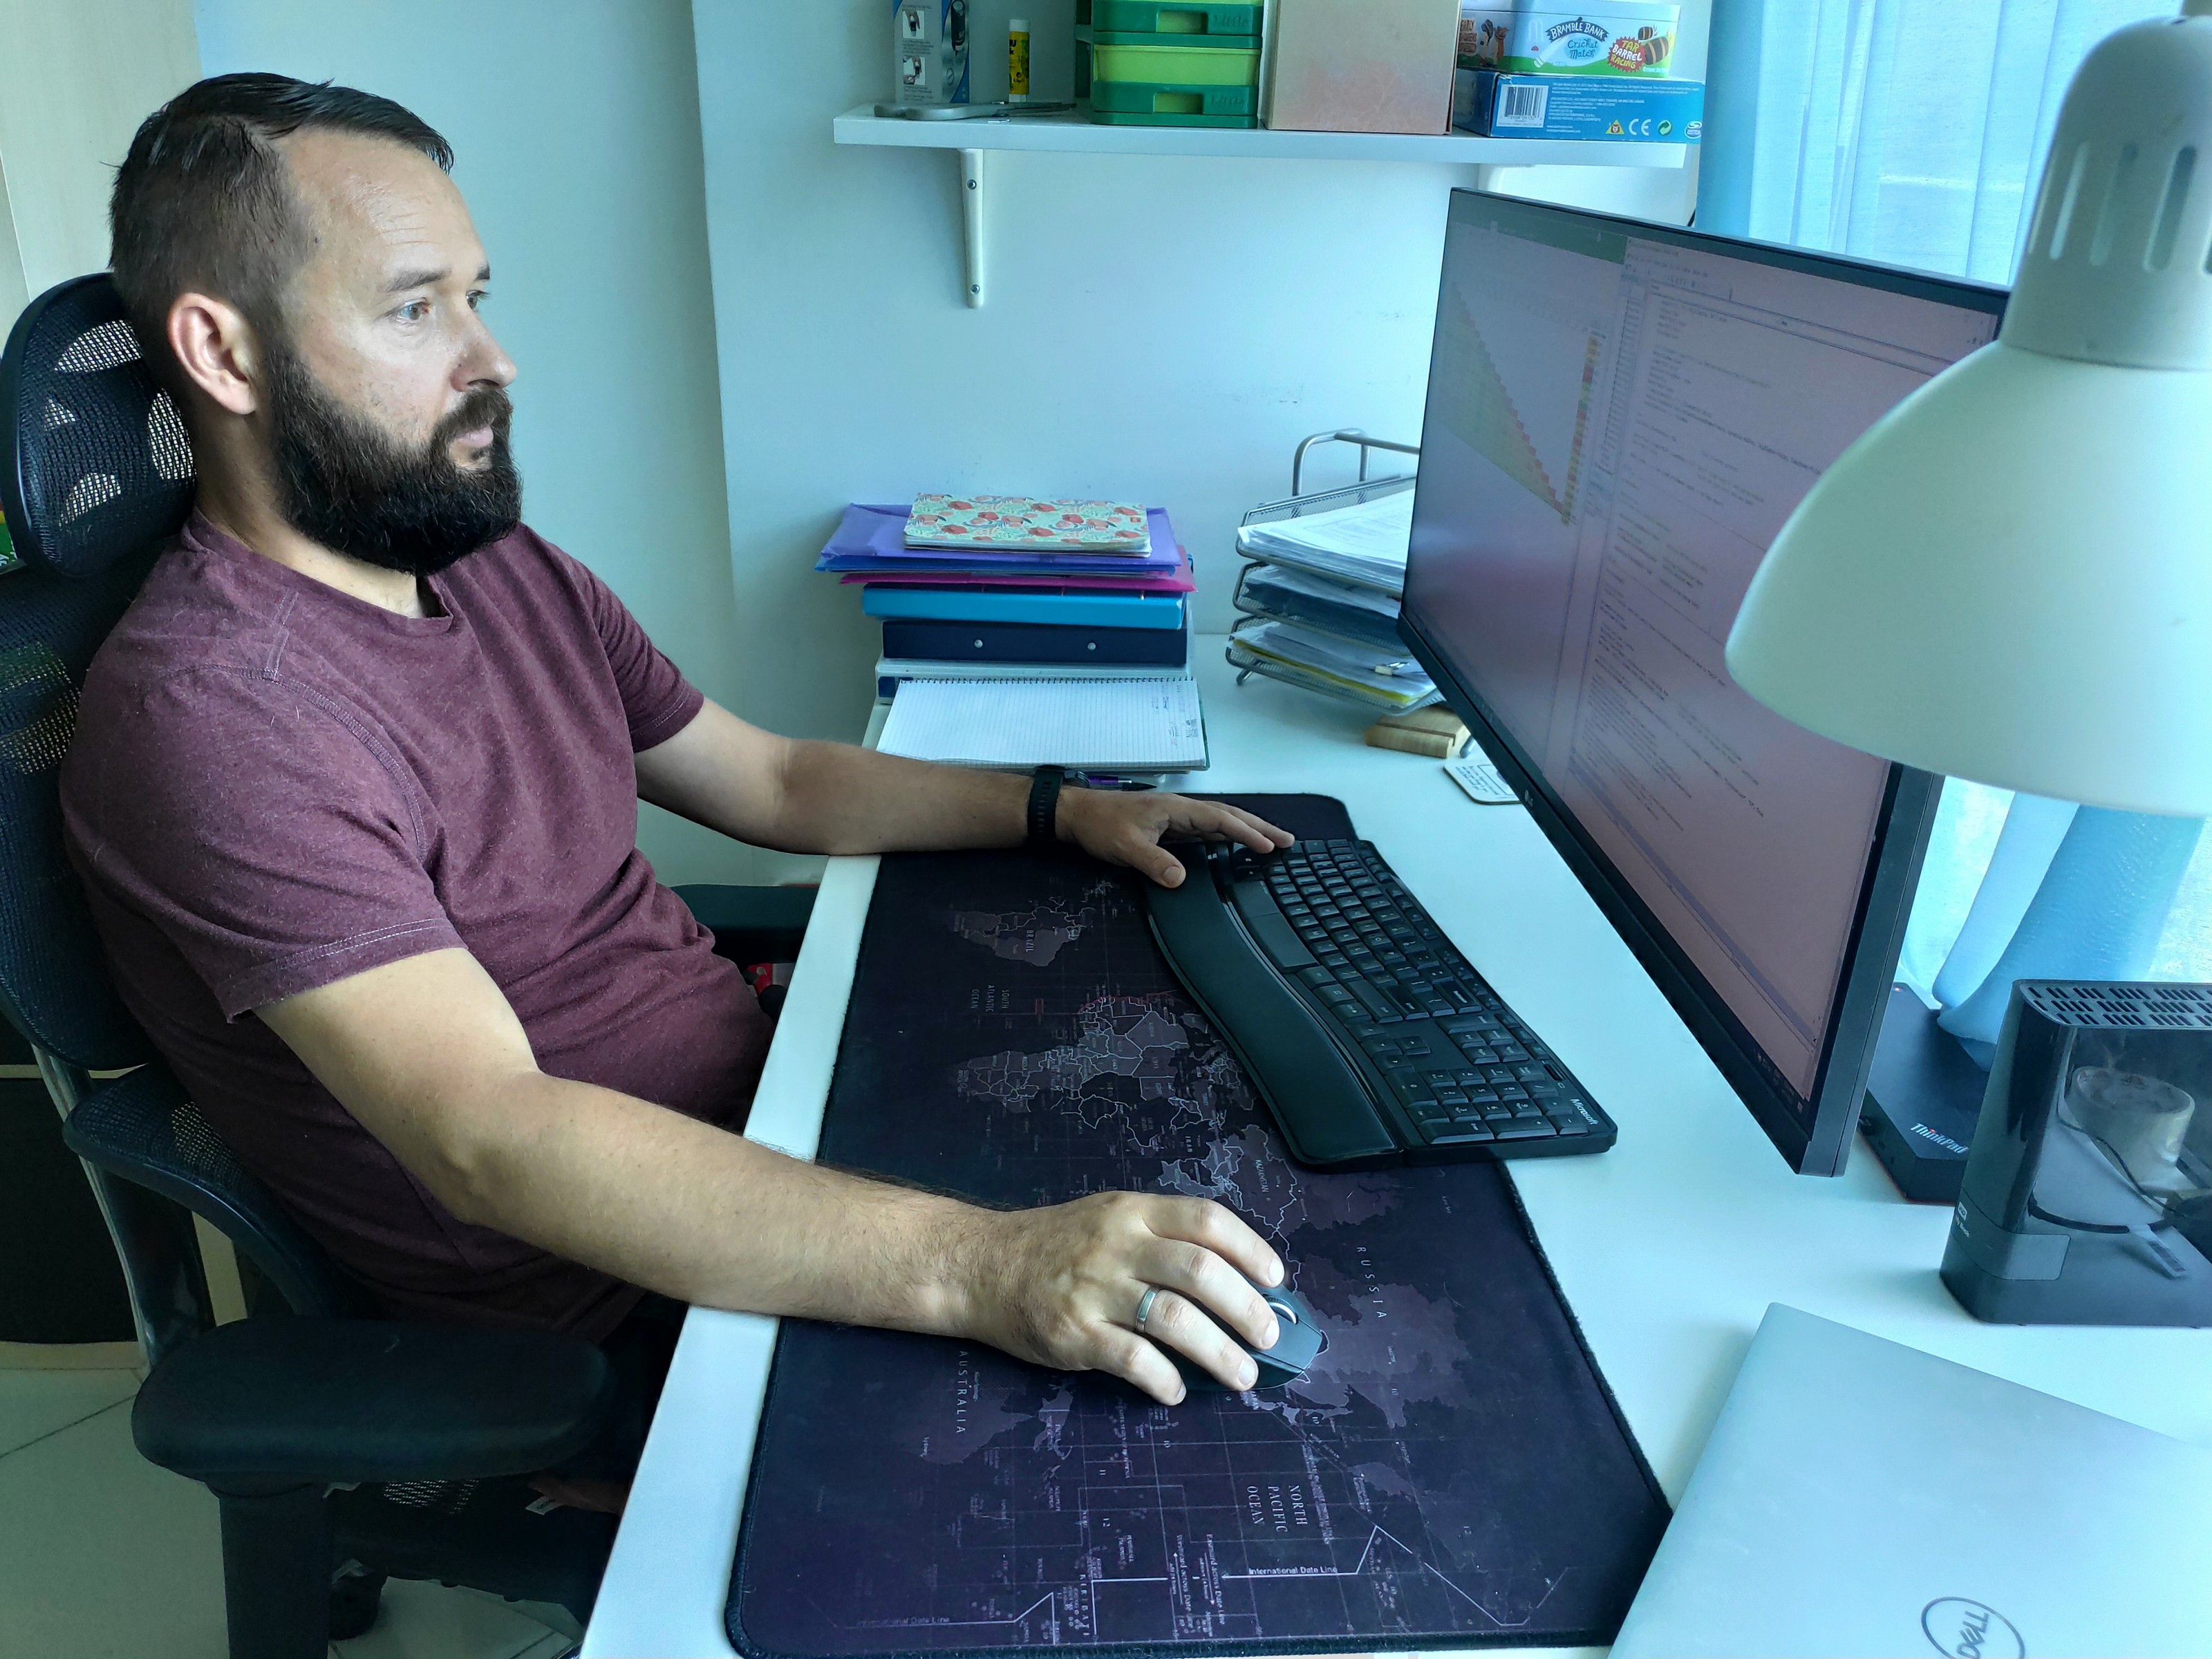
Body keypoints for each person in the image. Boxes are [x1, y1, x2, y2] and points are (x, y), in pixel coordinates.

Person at [61, 75, 1296, 1479]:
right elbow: (492, 1138)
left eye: (475, 296)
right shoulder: (216, 716)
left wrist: (1063, 808)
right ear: (222, 355)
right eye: (414, 310)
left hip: (773, 1118)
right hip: (628, 1303)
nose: (493, 359)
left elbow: (773, 782)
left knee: (1233, 1142)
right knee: (1212, 1449)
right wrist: (987, 1266)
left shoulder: (485, 561)